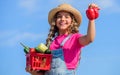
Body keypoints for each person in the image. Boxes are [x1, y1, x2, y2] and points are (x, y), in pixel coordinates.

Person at [26, 3, 100, 75]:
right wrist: (33, 72)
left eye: (67, 17)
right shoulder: (51, 43)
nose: (62, 19)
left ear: (72, 21)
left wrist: (91, 19)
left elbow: (89, 39)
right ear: (55, 21)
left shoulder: (75, 38)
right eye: (59, 16)